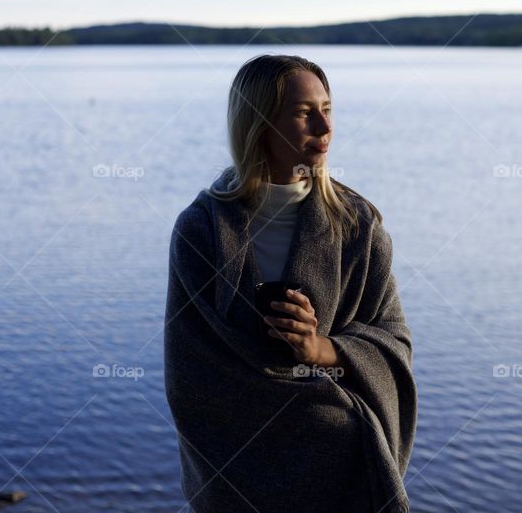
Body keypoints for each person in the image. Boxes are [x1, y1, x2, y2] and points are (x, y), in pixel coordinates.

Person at [164, 54, 417, 512]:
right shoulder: (203, 230)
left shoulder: (357, 226)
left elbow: (394, 344)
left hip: (345, 476)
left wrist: (321, 349)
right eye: (304, 113)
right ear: (257, 122)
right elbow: (190, 375)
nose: (324, 127)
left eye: (328, 109)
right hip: (237, 476)